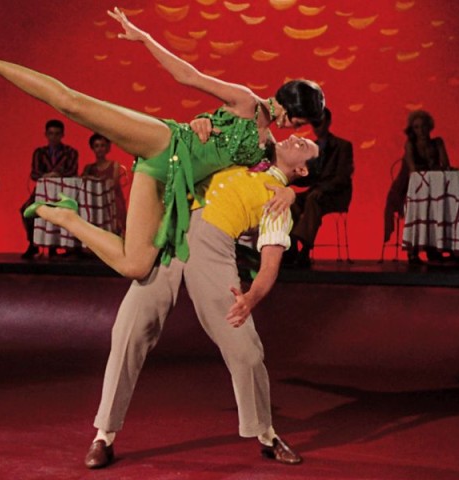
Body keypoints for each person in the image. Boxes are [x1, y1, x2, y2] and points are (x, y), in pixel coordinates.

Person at [0, 6, 324, 279]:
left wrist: (292, 196)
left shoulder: (267, 148)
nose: (295, 127)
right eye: (299, 119)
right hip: (164, 143)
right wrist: (145, 39)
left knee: (135, 266)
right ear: (290, 104)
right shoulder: (246, 101)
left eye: (301, 126)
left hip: (166, 182)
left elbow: (276, 180)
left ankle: (64, 214)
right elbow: (187, 76)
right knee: (71, 103)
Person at [84, 130, 320, 469]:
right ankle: (103, 436)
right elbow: (237, 115)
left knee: (247, 351)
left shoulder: (279, 204)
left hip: (214, 254)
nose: (295, 138)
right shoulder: (247, 151)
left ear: (303, 171)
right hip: (170, 240)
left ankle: (267, 435)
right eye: (297, 135)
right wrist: (202, 124)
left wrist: (251, 297)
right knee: (127, 333)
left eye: (303, 146)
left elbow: (270, 265)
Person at [287, 108, 354, 266]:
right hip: (316, 193)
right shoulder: (312, 148)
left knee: (313, 200)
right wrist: (289, 178)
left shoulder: (343, 146)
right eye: (314, 123)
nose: (316, 127)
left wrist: (323, 189)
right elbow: (308, 177)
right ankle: (292, 247)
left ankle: (305, 249)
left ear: (328, 122)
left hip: (336, 194)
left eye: (319, 122)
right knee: (291, 202)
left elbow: (342, 177)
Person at [383, 110, 450, 264]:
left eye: (423, 126)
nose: (421, 131)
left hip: (433, 187)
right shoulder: (410, 145)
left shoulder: (437, 142)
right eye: (417, 127)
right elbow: (413, 172)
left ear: (430, 127)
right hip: (407, 188)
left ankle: (435, 248)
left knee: (442, 203)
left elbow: (446, 166)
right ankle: (413, 251)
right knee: (417, 206)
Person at [20, 119, 80, 259]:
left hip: (63, 194)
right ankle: (33, 244)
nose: (54, 137)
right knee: (26, 210)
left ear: (62, 135)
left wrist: (57, 175)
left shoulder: (71, 152)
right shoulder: (39, 153)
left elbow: (73, 171)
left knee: (65, 212)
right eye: (51, 134)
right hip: (42, 193)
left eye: (57, 134)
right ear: (46, 134)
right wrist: (46, 175)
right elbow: (34, 173)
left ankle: (58, 246)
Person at [81, 133, 127, 236]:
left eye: (102, 145)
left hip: (113, 202)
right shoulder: (88, 168)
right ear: (92, 148)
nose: (100, 149)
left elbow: (113, 184)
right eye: (96, 146)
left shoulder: (114, 165)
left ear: (107, 148)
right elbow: (81, 184)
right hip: (96, 204)